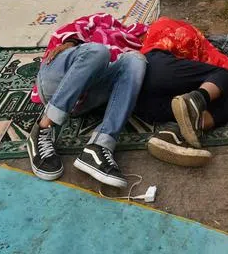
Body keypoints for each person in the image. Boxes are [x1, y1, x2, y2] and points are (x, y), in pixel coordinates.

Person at [26, 38, 146, 189]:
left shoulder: (129, 33)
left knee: (136, 59)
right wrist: (71, 42)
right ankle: (43, 127)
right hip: (58, 77)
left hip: (88, 93)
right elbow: (64, 36)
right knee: (99, 51)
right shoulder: (91, 23)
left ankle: (99, 146)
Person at [134, 49, 228, 167]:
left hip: (136, 103)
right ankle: (196, 105)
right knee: (224, 76)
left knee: (224, 98)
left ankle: (171, 133)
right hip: (150, 65)